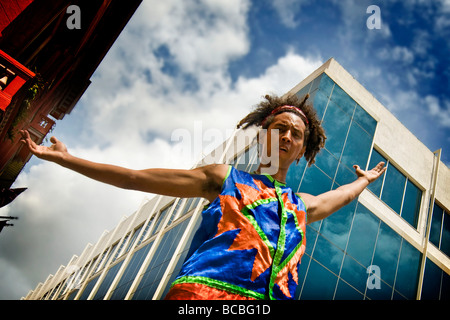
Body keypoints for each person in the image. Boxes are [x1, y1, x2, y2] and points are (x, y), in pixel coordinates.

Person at [20, 94, 386, 300]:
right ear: (263, 136)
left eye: (296, 134)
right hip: (204, 296)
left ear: (303, 147)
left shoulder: (302, 206)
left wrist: (365, 180)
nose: (287, 138)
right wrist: (68, 160)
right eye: (280, 129)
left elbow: (342, 195)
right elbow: (134, 178)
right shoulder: (223, 178)